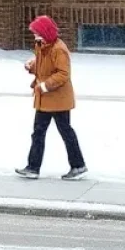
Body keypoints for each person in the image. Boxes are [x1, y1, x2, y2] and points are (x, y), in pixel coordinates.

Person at [15, 15, 87, 180]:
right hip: (46, 99)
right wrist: (31, 66)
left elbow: (63, 74)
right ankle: (33, 167)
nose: (34, 35)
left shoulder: (58, 49)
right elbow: (43, 64)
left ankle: (77, 165)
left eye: (36, 32)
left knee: (65, 132)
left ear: (45, 32)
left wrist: (45, 85)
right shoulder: (42, 46)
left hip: (58, 99)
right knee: (39, 132)